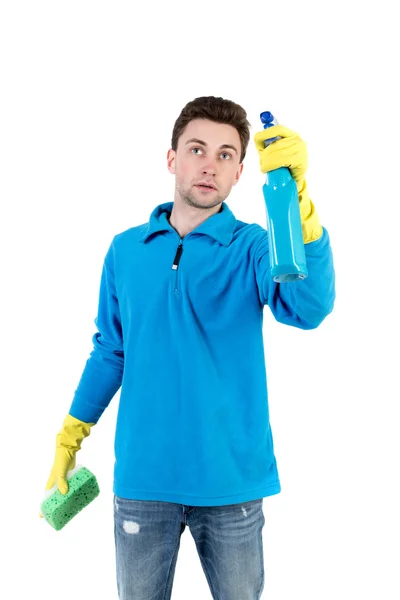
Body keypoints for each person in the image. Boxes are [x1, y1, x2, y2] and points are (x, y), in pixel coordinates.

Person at [42, 96, 336, 600]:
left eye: (226, 155)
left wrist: (299, 205)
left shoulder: (254, 248)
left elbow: (308, 307)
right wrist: (71, 432)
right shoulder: (125, 250)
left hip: (232, 485)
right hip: (142, 481)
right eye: (197, 148)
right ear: (172, 158)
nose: (210, 164)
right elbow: (112, 350)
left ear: (241, 171)